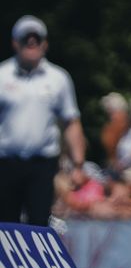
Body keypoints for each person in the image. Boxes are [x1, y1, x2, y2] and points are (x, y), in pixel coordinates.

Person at [0, 15, 84, 226]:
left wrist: (78, 164)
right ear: (14, 43)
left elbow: (71, 121)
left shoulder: (57, 78)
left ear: (44, 43)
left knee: (38, 222)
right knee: (5, 224)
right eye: (26, 38)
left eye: (36, 38)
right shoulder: (2, 75)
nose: (31, 42)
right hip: (6, 163)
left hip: (41, 164)